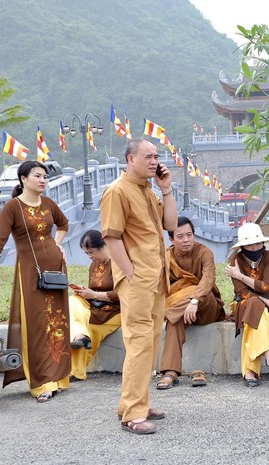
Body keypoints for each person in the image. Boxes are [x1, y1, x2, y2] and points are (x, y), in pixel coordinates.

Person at [0, 160, 70, 403]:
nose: (43, 180)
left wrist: (57, 244)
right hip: (30, 272)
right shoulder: (12, 207)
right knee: (37, 325)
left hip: (55, 269)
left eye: (45, 176)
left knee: (57, 323)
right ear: (23, 179)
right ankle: (41, 381)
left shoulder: (48, 203)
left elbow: (64, 224)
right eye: (37, 175)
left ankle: (59, 377)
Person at [101, 138, 177, 435]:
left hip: (157, 278)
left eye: (156, 156)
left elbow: (170, 224)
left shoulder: (148, 191)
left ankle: (133, 403)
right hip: (137, 280)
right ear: (131, 159)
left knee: (150, 343)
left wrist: (166, 188)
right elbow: (111, 237)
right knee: (139, 344)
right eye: (148, 156)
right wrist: (130, 274)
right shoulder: (117, 191)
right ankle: (132, 414)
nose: (154, 161)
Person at [156, 216, 225, 390]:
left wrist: (194, 300)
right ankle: (170, 372)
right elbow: (160, 285)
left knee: (202, 293)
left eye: (189, 235)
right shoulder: (166, 256)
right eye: (180, 237)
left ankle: (166, 313)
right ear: (171, 239)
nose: (186, 240)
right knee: (174, 320)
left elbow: (208, 279)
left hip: (205, 307)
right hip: (182, 311)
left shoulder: (204, 252)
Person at [225, 223, 269, 388]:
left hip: (264, 309)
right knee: (253, 302)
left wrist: (240, 275)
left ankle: (250, 373)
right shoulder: (236, 259)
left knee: (259, 318)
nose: (254, 247)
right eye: (250, 244)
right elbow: (242, 292)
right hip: (244, 303)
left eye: (257, 243)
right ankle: (268, 353)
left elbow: (267, 286)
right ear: (243, 246)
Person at [69, 230, 121, 381]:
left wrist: (94, 295)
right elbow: (94, 288)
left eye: (91, 252)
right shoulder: (94, 266)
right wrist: (85, 292)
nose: (90, 257)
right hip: (95, 307)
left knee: (92, 331)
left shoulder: (118, 263)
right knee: (73, 301)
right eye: (86, 254)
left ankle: (77, 371)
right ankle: (80, 335)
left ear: (104, 246)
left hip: (115, 310)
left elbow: (121, 293)